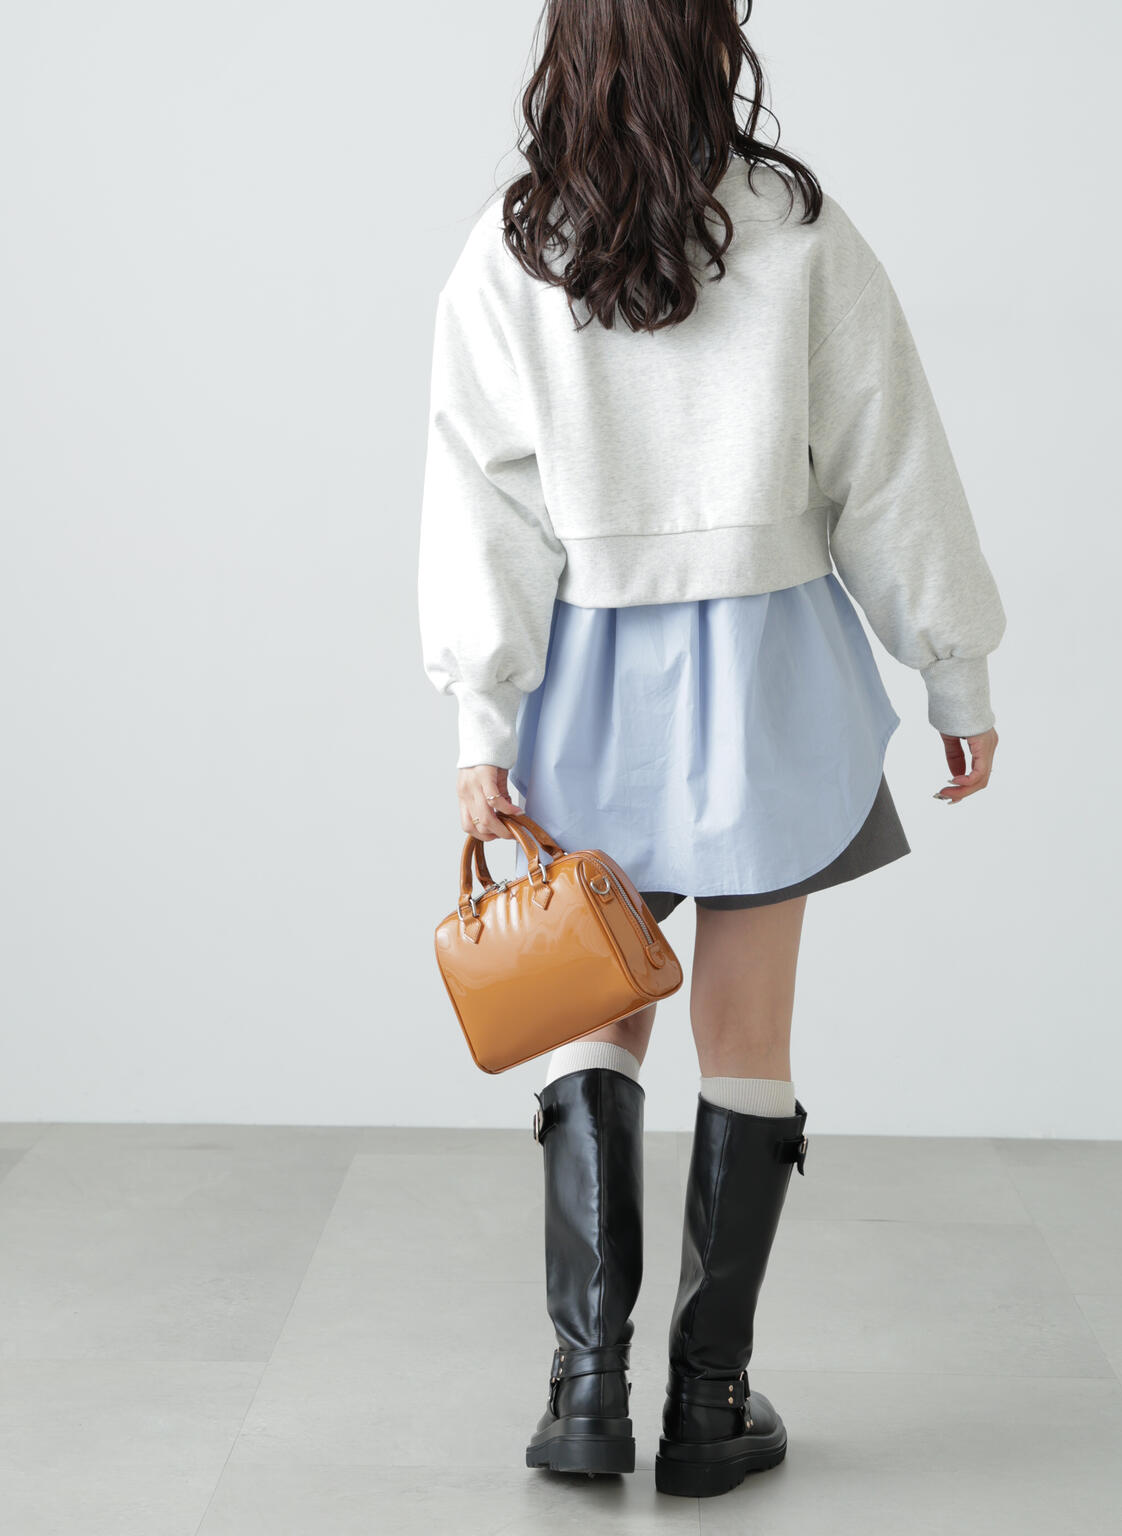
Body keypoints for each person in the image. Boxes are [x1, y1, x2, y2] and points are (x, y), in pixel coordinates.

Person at [417, 0, 1006, 1500]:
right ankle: (708, 1400)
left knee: (589, 1011)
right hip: (767, 669)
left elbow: (482, 500)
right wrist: (953, 668)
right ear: (713, 42)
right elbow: (887, 459)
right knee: (747, 1035)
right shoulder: (794, 227)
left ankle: (584, 1394)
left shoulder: (514, 246)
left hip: (586, 674)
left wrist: (484, 724)